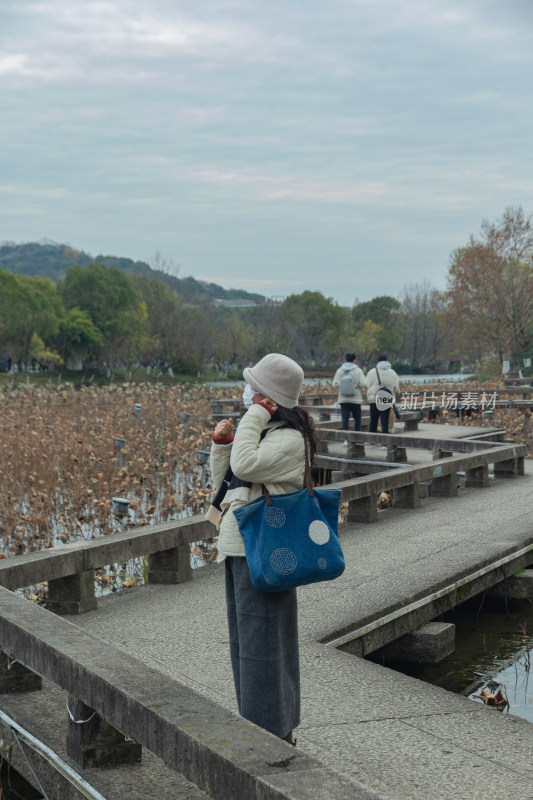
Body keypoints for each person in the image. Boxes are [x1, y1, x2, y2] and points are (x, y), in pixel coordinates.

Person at [208, 353, 317, 745]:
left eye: (252, 387)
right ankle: (263, 733)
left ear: (267, 398)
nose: (245, 392)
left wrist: (253, 415)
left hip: (265, 554)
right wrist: (223, 444)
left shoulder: (288, 439)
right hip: (243, 549)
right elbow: (230, 480)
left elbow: (248, 465)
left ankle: (273, 741)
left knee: (265, 650)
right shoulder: (269, 434)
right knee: (248, 648)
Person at [332, 353, 367, 439]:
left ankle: (345, 439)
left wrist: (342, 385)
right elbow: (363, 384)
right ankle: (357, 437)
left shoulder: (339, 370)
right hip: (355, 399)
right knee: (357, 419)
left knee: (345, 419)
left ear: (345, 360)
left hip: (343, 399)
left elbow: (334, 384)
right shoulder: (358, 370)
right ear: (354, 360)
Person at [365, 354, 400, 434]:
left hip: (374, 399)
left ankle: (372, 440)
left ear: (377, 362)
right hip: (386, 399)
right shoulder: (393, 373)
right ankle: (384, 443)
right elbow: (396, 388)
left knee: (373, 420)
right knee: (384, 422)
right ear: (387, 361)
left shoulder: (372, 372)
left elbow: (366, 385)